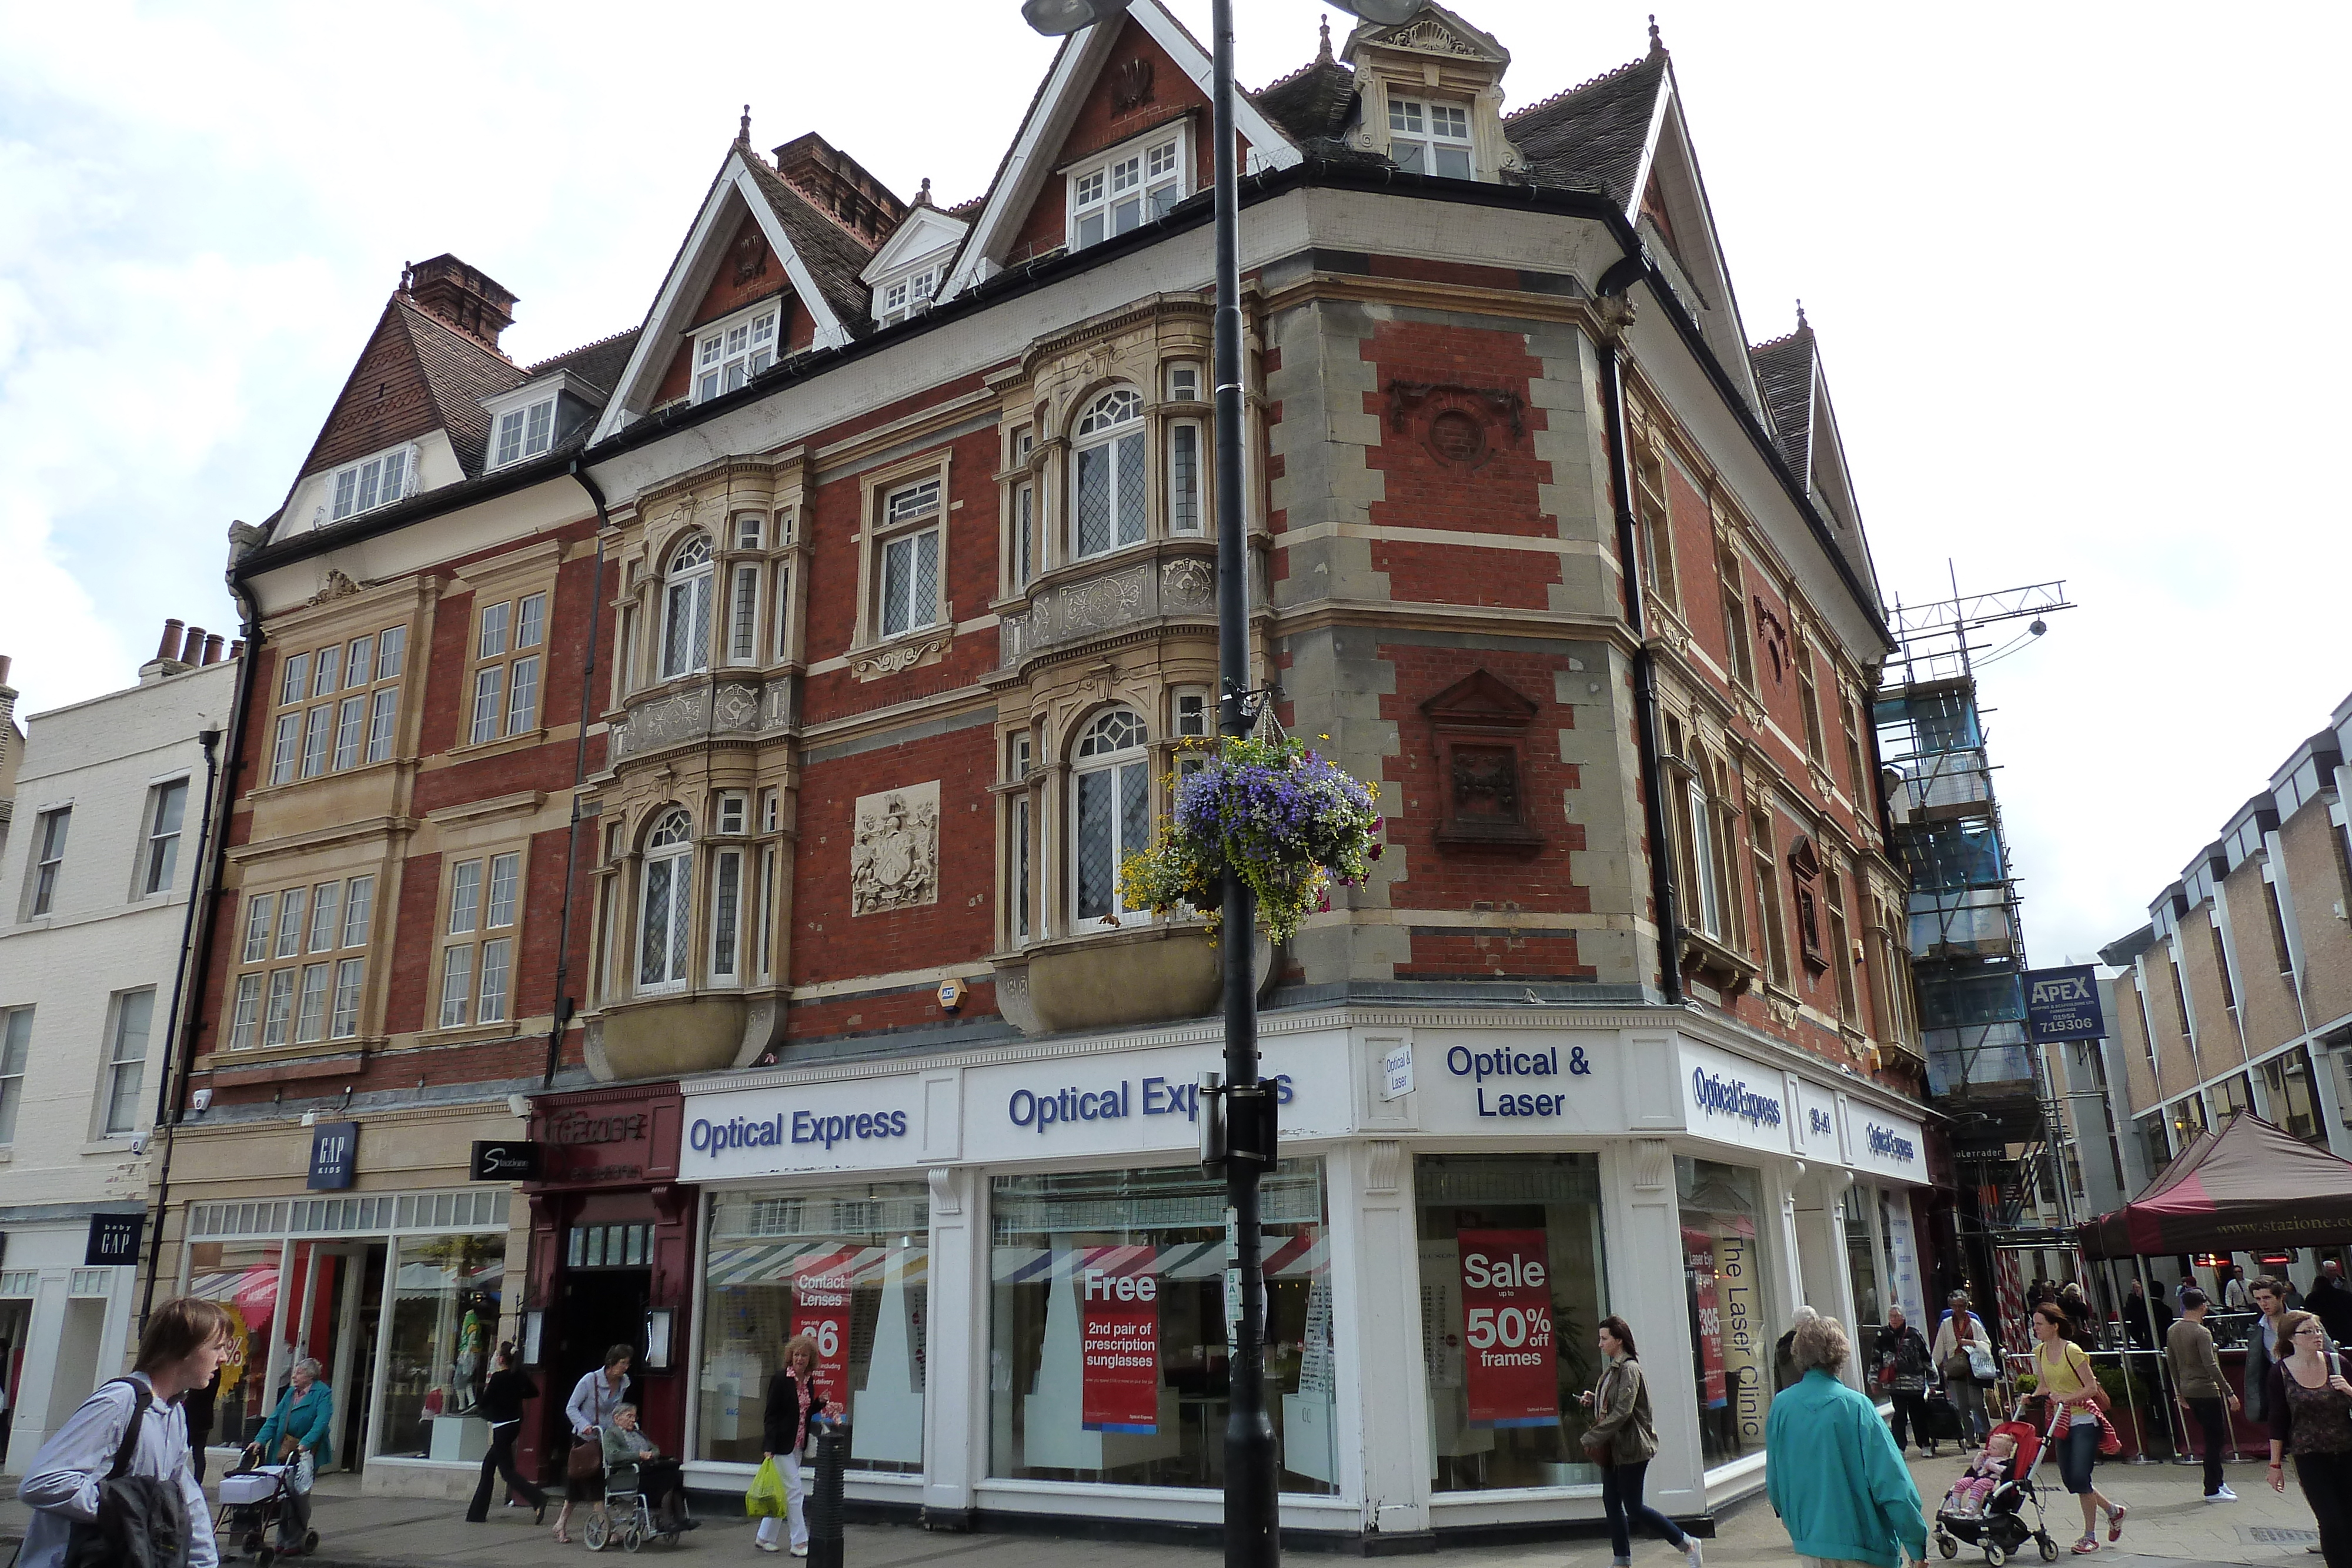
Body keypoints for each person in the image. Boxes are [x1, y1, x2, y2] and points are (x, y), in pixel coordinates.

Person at [16, 1296, 229, 1568]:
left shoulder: (173, 1413)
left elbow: (185, 1500)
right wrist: (129, 1510)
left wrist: (204, 1563)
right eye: (217, 1347)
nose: (223, 1358)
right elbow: (41, 1483)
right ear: (183, 1349)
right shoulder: (119, 1402)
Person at [1766, 1313, 1926, 1568]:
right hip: (1864, 1546)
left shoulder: (1782, 1406)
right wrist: (1916, 1544)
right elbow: (1893, 1484)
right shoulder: (1857, 1407)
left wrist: (1796, 1524)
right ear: (1839, 1355)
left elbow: (1775, 1481)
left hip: (1811, 1544)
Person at [1578, 1316, 1705, 1568]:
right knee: (1612, 1503)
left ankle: (1687, 1543)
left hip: (1632, 1449)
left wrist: (1592, 1436)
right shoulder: (1613, 1369)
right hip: (1614, 1449)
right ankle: (1621, 1559)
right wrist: (1595, 1400)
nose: (1600, 1345)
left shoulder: (1630, 1369)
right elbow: (1614, 1405)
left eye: (1604, 1339)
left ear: (1619, 1340)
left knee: (1634, 1507)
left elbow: (1624, 1411)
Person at [2028, 1303, 2125, 1554]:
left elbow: (2091, 1388)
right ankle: (2113, 1511)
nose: (2035, 1328)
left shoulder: (2072, 1351)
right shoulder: (2039, 1352)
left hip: (2084, 1419)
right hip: (2061, 1422)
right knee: (2070, 1479)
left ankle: (2090, 1535)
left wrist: (2067, 1398)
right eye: (2035, 1323)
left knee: (2082, 1477)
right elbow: (2044, 1386)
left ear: (2055, 1326)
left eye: (2039, 1324)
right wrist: (2030, 1396)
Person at [2263, 1309, 2352, 1567]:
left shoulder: (2338, 1363)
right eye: (2308, 1332)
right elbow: (2277, 1421)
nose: (2316, 1336)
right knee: (2331, 1519)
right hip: (2309, 1456)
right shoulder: (2280, 1372)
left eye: (2318, 1330)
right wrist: (2275, 1465)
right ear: (2291, 1338)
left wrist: (2349, 1390)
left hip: (2347, 1450)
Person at [245, 1355, 333, 1559]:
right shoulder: (290, 1394)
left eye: (299, 1372)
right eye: (295, 1372)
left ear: (311, 1376)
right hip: (284, 1448)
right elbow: (275, 1419)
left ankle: (294, 1539)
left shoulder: (322, 1393)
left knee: (298, 1495)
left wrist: (305, 1444)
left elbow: (321, 1422)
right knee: (283, 1495)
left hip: (305, 1453)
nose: (294, 1376)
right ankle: (282, 1540)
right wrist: (259, 1440)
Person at [553, 1343, 632, 1544]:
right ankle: (606, 1530)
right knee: (594, 1482)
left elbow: (616, 1411)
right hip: (585, 1439)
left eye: (628, 1363)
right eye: (623, 1363)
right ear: (611, 1363)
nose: (626, 1367)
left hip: (606, 1439)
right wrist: (584, 1425)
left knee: (580, 1483)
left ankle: (561, 1523)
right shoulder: (590, 1380)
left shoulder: (624, 1383)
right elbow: (571, 1408)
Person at [2167, 1286, 2241, 1502]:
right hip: (2207, 1389)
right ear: (2202, 1306)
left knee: (2212, 1437)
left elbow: (2172, 1362)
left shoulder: (2173, 1330)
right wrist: (2229, 1392)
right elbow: (2211, 1365)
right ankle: (2212, 1488)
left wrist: (2178, 1391)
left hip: (2188, 1389)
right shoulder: (2202, 1332)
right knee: (2215, 1439)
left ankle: (2218, 1481)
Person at [759, 1333, 827, 1556]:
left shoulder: (808, 1381)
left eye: (804, 1355)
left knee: (784, 1492)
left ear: (810, 1359)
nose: (800, 1359)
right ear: (791, 1357)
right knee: (795, 1492)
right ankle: (799, 1542)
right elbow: (771, 1415)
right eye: (797, 1354)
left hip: (797, 1444)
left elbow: (804, 1412)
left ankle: (764, 1537)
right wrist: (769, 1445)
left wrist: (819, 1404)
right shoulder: (780, 1380)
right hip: (780, 1445)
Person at [465, 1343, 547, 1525]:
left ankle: (537, 1498)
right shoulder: (518, 1375)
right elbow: (534, 1392)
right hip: (514, 1424)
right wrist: (515, 1395)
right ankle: (477, 1513)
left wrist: (487, 1402)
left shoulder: (498, 1378)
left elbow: (485, 1402)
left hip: (502, 1427)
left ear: (501, 1359)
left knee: (506, 1472)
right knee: (488, 1466)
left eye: (496, 1355)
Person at [599, 1404, 696, 1534]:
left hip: (647, 1469)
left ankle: (677, 1518)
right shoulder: (611, 1434)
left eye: (635, 1417)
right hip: (629, 1474)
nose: (633, 1420)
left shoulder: (638, 1433)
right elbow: (613, 1456)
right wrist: (639, 1455)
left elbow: (654, 1448)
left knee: (675, 1470)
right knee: (670, 1476)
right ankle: (669, 1520)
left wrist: (651, 1455)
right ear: (617, 1418)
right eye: (629, 1416)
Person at [1875, 1306, 1937, 1457]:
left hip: (1915, 1383)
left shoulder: (1914, 1335)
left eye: (1897, 1316)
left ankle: (1924, 1444)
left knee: (1918, 1415)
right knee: (1899, 1416)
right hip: (1894, 1384)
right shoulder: (1883, 1335)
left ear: (1903, 1318)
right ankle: (1899, 1447)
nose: (1894, 1320)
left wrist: (1933, 1382)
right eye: (1891, 1316)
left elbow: (1926, 1358)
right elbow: (1875, 1359)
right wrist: (1873, 1380)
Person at [1932, 1291, 1993, 1443]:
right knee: (1961, 1406)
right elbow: (1939, 1349)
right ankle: (1970, 1438)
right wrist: (1934, 1372)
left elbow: (1987, 1344)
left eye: (1961, 1306)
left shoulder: (1974, 1324)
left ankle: (1988, 1432)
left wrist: (1971, 1343)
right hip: (1955, 1368)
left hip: (1973, 1369)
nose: (1958, 1309)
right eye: (1954, 1306)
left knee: (1977, 1402)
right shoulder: (1946, 1325)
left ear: (1966, 1306)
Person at [2246, 1276, 2294, 1425]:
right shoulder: (2258, 1329)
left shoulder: (2303, 1322)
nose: (2263, 1303)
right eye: (2258, 1299)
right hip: (2278, 1390)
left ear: (2281, 1297)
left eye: (2267, 1298)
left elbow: (2329, 1354)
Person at [1947, 1430, 2020, 1518]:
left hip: (1992, 1480)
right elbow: (1975, 1467)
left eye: (1994, 1448)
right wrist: (1980, 1457)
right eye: (1989, 1446)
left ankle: (1972, 1507)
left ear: (2005, 1453)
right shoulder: (1987, 1457)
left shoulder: (2006, 1461)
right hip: (1978, 1477)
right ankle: (1955, 1506)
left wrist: (1991, 1466)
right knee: (1961, 1483)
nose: (1989, 1449)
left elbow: (2005, 1472)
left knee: (1979, 1484)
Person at [2303, 1260, 2352, 1350]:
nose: (2334, 1273)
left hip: (2326, 1332)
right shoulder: (2345, 1295)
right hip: (2346, 1331)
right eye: (2331, 1271)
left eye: (2335, 1270)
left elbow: (2309, 1316)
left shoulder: (2312, 1298)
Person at [182, 1365, 219, 1483]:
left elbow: (194, 1396)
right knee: (198, 1453)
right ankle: (197, 1482)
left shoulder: (204, 1379)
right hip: (205, 1418)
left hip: (193, 1418)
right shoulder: (214, 1374)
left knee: (183, 1450)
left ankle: (189, 1482)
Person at [1774, 1306, 1819, 1393]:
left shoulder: (1782, 1344)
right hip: (1809, 1396)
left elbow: (1778, 1379)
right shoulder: (1808, 1343)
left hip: (1789, 1397)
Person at [2124, 1278, 2172, 1352]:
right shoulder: (2166, 1310)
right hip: (2164, 1344)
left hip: (2147, 1344)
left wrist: (2141, 1342)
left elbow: (2133, 1328)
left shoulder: (2140, 1308)